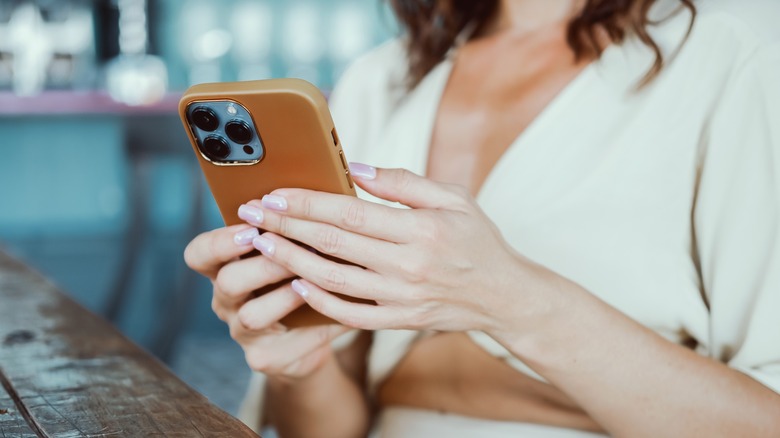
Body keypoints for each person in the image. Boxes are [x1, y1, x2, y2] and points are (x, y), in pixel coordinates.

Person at [184, 0, 780, 436]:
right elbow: (329, 430)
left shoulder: (736, 56)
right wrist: (299, 366)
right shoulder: (383, 79)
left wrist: (512, 301)